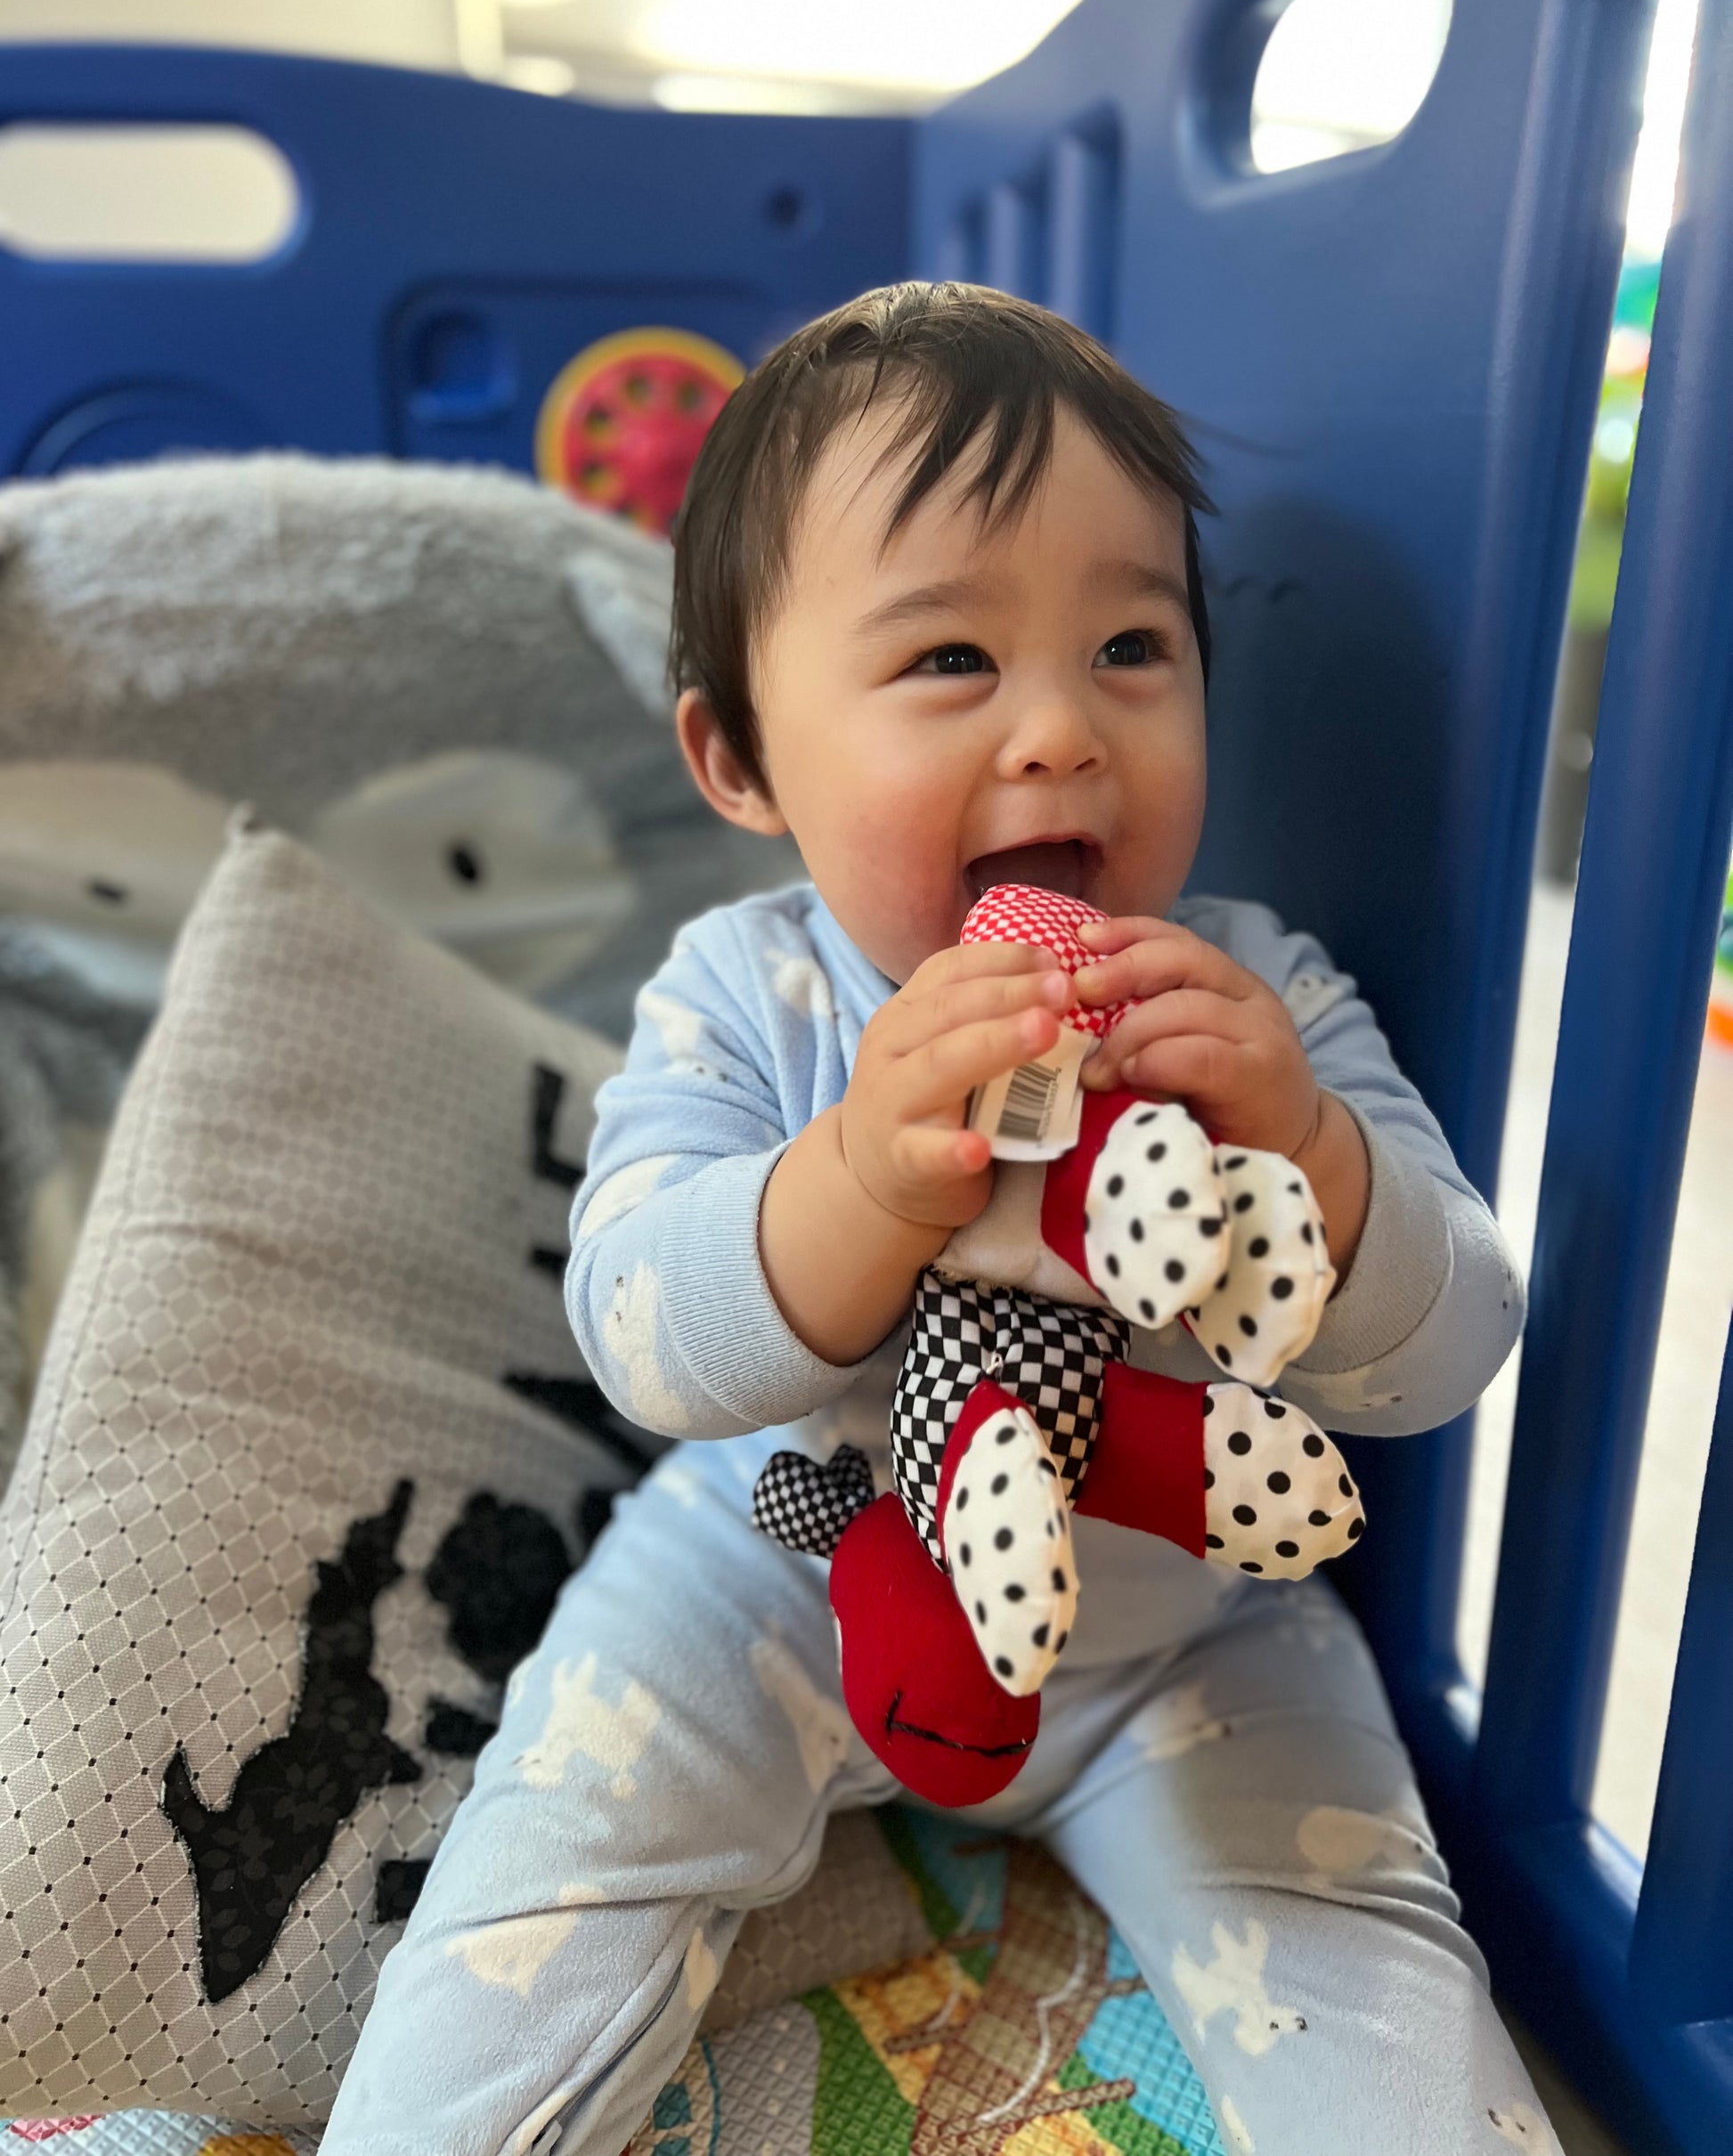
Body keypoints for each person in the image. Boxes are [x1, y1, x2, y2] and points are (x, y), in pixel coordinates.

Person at [322, 282, 1549, 2156]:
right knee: (533, 1893)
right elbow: (641, 1323)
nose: (1060, 731)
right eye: (950, 662)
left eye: (1132, 644)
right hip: (781, 1574)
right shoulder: (743, 994)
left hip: (1189, 1637)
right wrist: (860, 1179)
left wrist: (1310, 1148)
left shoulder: (1255, 993)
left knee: (1382, 1987)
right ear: (739, 759)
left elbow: (1451, 1335)